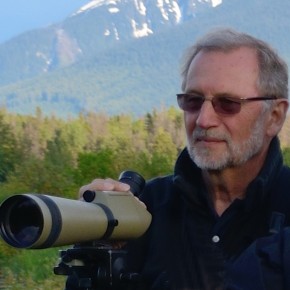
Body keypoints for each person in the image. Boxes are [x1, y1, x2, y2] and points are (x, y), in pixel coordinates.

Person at [66, 28, 290, 289]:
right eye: (193, 101)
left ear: (274, 116)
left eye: (227, 103)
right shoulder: (142, 210)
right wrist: (92, 252)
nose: (204, 120)